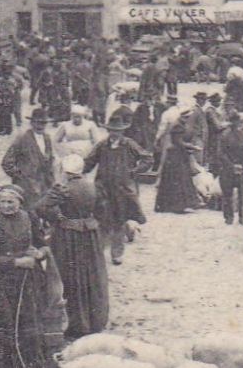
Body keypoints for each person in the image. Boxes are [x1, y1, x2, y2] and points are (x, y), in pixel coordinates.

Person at [0, 187, 51, 368]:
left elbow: (43, 245)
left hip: (26, 281)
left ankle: (30, 366)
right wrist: (16, 262)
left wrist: (39, 253)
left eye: (11, 202)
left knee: (28, 321)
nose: (7, 206)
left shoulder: (29, 218)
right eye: (3, 202)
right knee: (3, 323)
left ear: (20, 202)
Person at [37, 154, 111, 338]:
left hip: (68, 237)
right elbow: (103, 210)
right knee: (92, 275)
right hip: (90, 236)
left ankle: (77, 323)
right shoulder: (94, 186)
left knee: (69, 276)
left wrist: (58, 217)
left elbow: (40, 207)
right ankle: (95, 320)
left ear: (65, 171)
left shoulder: (62, 188)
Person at [88, 110, 150, 263]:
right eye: (112, 131)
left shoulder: (129, 145)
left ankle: (117, 253)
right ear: (108, 131)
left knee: (119, 221)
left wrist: (135, 171)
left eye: (118, 131)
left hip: (122, 190)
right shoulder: (102, 146)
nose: (115, 134)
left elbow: (147, 158)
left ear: (122, 131)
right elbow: (89, 162)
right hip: (103, 189)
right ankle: (100, 253)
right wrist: (75, 170)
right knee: (102, 220)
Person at [1, 108, 57, 213]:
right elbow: (7, 162)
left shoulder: (47, 138)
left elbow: (50, 160)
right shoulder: (22, 138)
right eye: (38, 123)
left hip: (44, 184)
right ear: (32, 123)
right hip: (26, 186)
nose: (41, 126)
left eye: (44, 123)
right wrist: (21, 177)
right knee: (28, 213)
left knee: (44, 212)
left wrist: (50, 180)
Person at [154, 102, 201, 214]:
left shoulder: (180, 124)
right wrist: (193, 146)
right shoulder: (178, 126)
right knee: (179, 179)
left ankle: (175, 205)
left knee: (179, 179)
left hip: (179, 154)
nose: (188, 119)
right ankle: (177, 206)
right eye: (187, 117)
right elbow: (178, 142)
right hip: (175, 155)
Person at [215, 111, 243, 225]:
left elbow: (220, 154)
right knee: (242, 195)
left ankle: (229, 218)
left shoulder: (224, 136)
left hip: (228, 170)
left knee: (227, 195)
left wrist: (231, 165)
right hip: (240, 169)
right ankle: (242, 218)